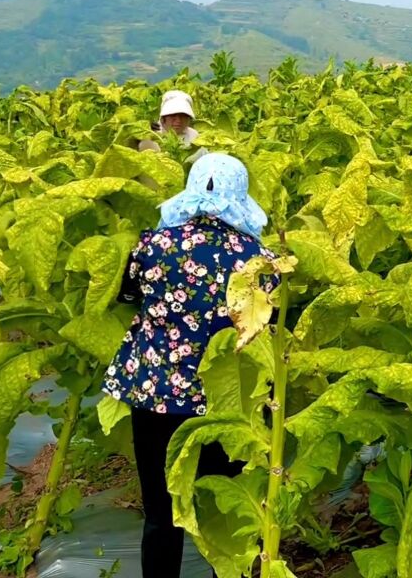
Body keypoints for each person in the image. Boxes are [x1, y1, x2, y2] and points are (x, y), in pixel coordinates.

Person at [102, 153, 273, 578]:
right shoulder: (259, 259)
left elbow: (126, 297)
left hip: (156, 393)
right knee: (226, 508)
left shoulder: (152, 246)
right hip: (224, 397)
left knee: (161, 513)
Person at [139, 89, 207, 162]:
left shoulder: (194, 136)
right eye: (173, 115)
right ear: (163, 117)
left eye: (183, 115)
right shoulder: (150, 136)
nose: (178, 120)